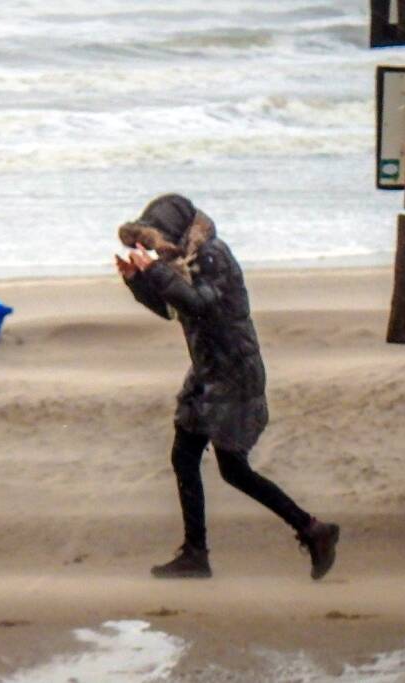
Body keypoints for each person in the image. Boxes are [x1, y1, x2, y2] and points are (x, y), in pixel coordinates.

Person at [115, 194, 339, 580]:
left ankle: (312, 529)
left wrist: (156, 273)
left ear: (175, 232)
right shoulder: (184, 259)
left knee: (233, 469)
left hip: (233, 373)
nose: (155, 249)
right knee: (186, 457)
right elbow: (172, 309)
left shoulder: (211, 256)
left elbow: (200, 304)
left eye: (157, 240)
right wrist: (138, 281)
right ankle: (196, 553)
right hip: (209, 371)